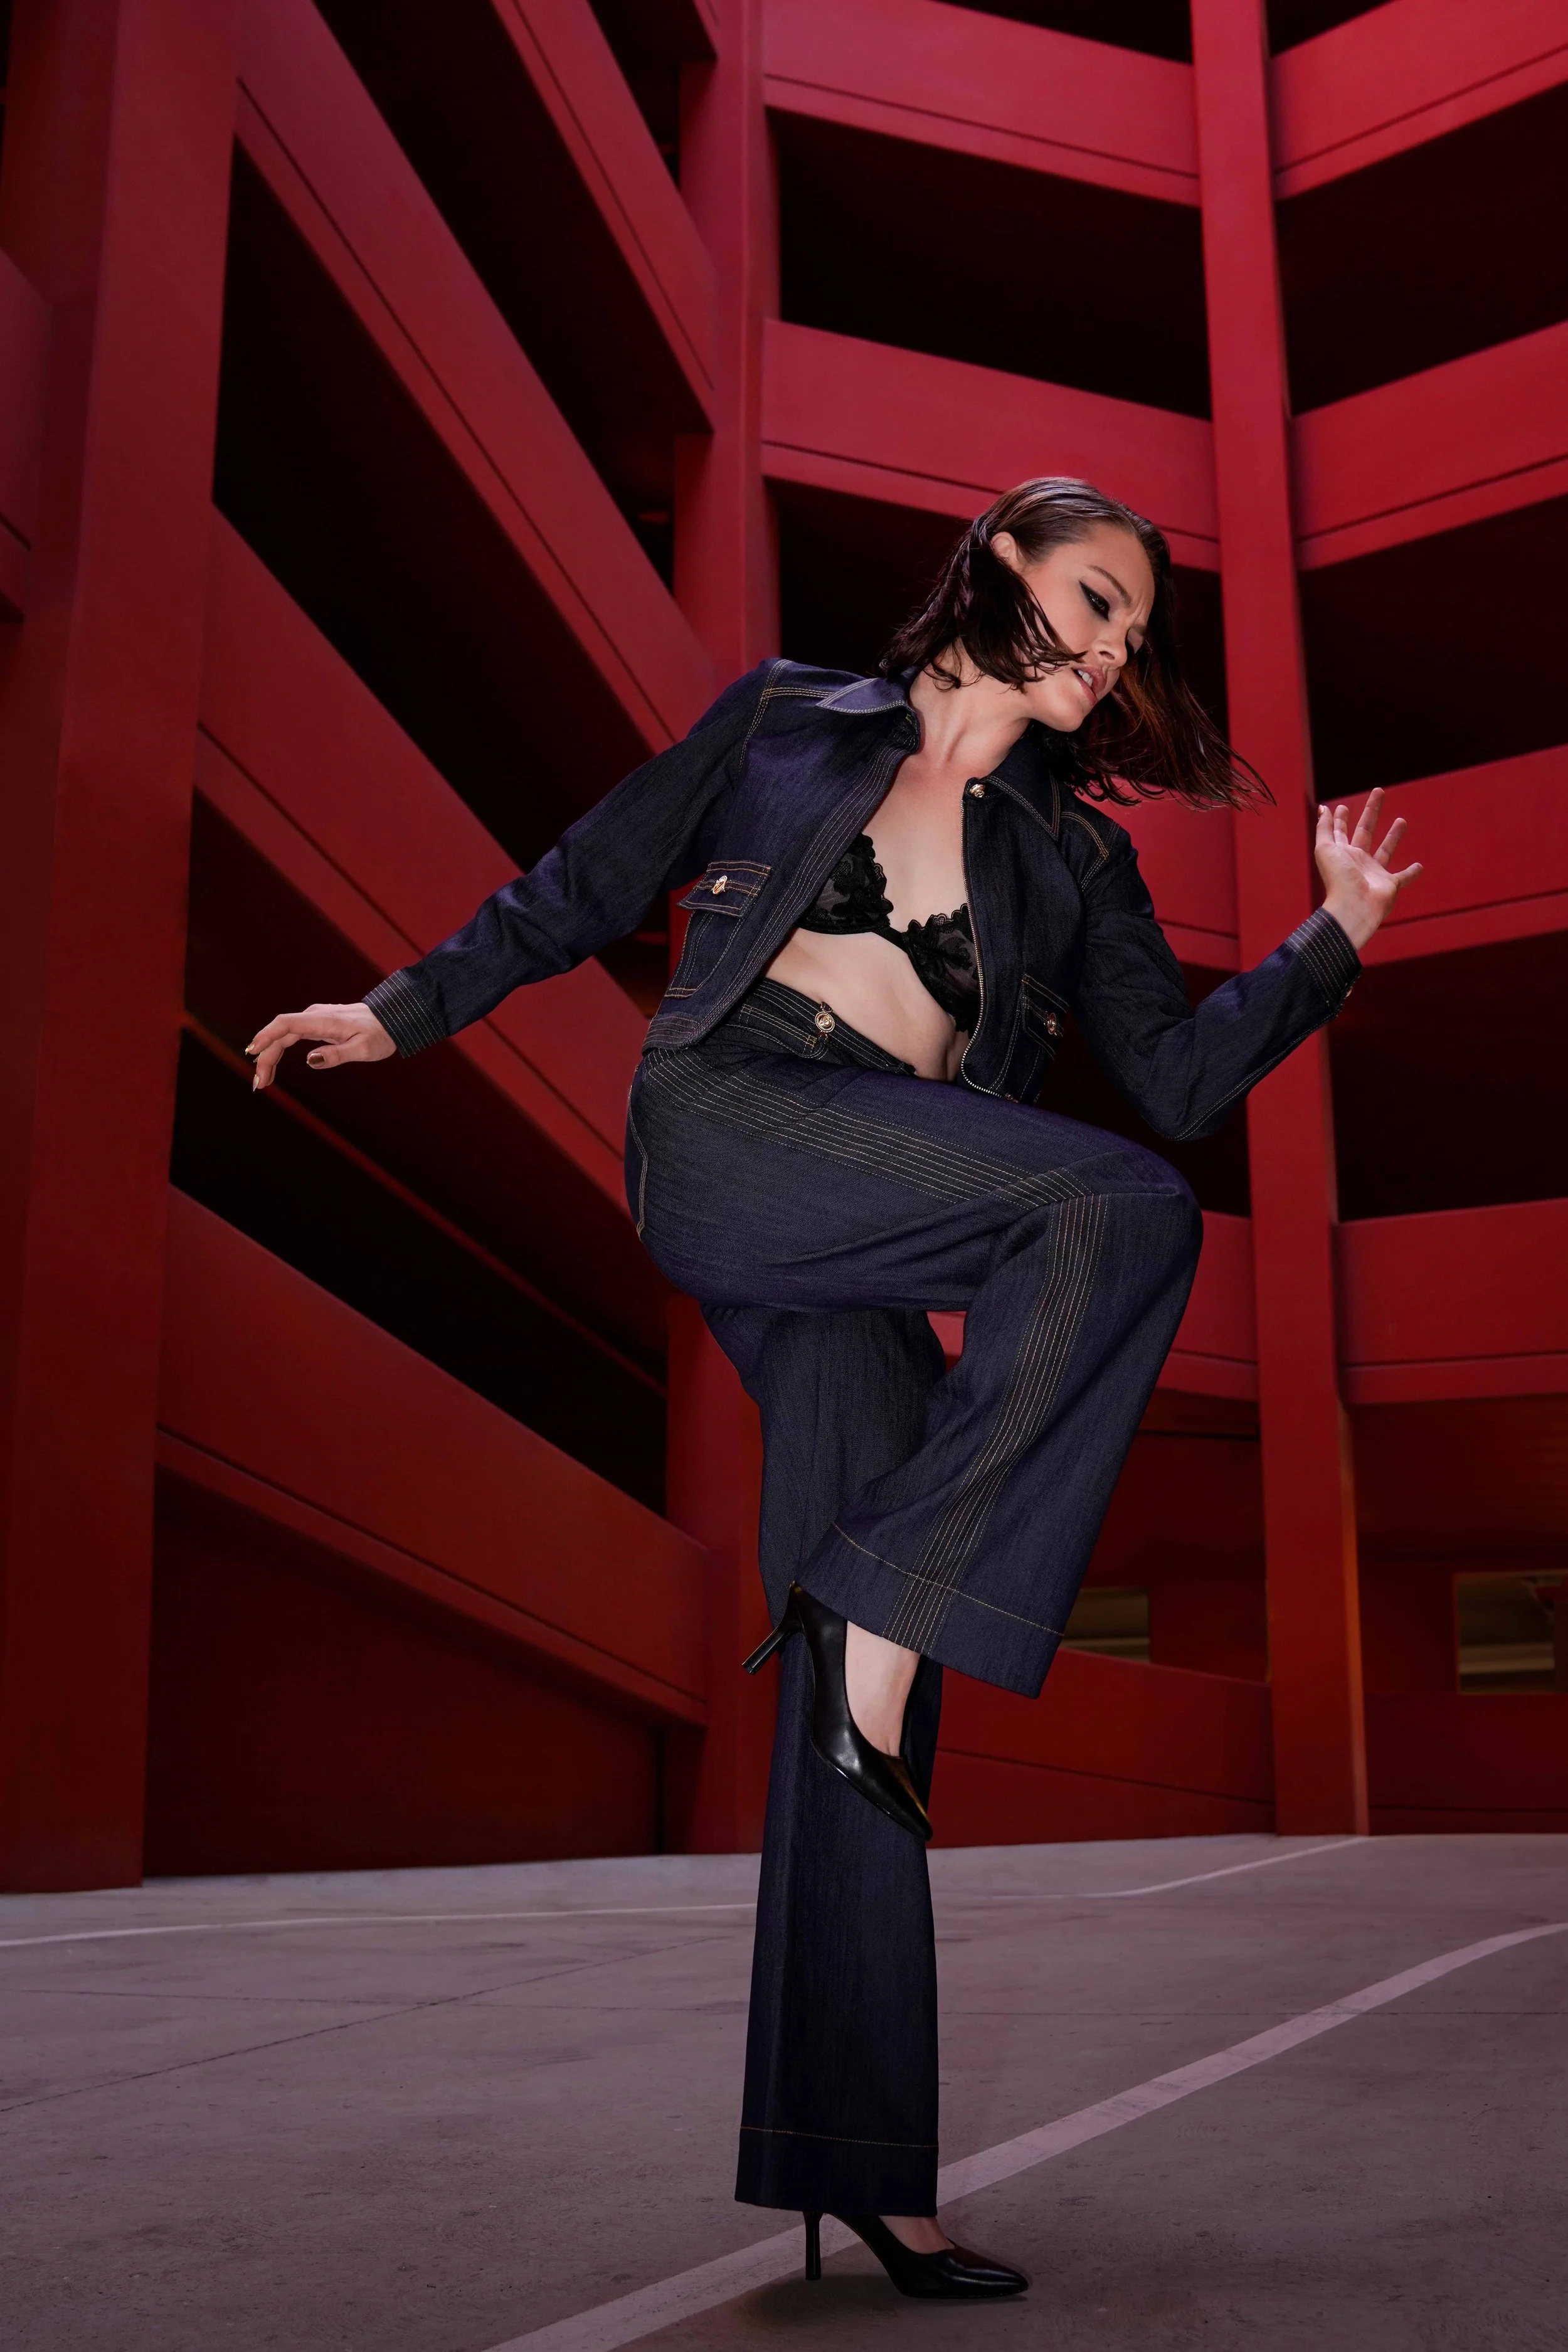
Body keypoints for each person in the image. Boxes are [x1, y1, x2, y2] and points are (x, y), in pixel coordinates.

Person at [248, 478, 1421, 2300]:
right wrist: (401, 1009)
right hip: (725, 1124)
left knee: (857, 1715)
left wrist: (1326, 937)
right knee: (1112, 1214)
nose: (1114, 650)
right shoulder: (790, 719)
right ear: (1000, 567)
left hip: (875, 1215)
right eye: (1093, 599)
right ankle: (897, 1598)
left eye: (1134, 635)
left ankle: (855, 2165)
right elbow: (586, 878)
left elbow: (1177, 1080)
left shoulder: (1077, 858)